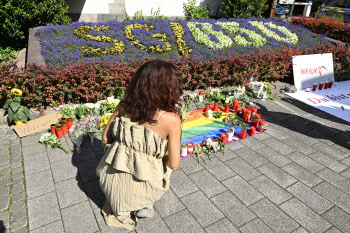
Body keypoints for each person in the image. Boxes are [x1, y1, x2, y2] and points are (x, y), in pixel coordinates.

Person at [96, 59, 183, 230]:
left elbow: (105, 139)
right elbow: (174, 164)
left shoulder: (124, 106)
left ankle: (123, 197)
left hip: (109, 182)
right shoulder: (171, 119)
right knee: (167, 160)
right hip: (146, 184)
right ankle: (145, 204)